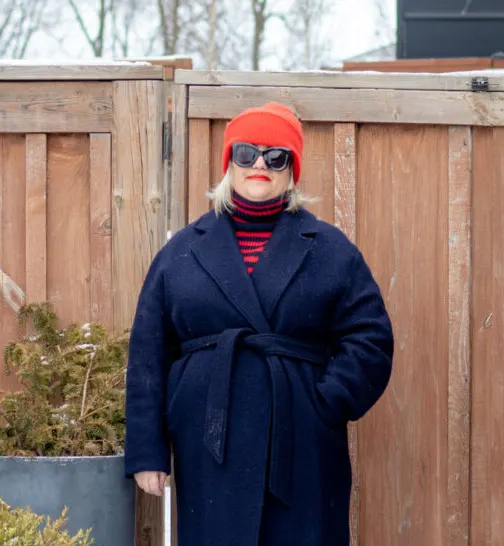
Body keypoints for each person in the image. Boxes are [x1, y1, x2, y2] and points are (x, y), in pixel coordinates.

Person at [124, 102, 394, 546]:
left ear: (293, 169)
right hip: (209, 441)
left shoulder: (330, 249)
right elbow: (149, 353)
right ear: (230, 162)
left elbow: (370, 341)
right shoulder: (183, 252)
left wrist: (323, 404)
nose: (260, 166)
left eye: (276, 156)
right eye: (247, 153)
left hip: (301, 441)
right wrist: (148, 451)